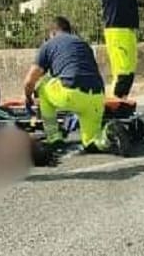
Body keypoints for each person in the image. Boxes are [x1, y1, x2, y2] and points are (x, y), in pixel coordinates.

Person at [22, 16, 129, 155]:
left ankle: (54, 138)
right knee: (91, 142)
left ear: (52, 33)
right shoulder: (83, 44)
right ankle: (108, 135)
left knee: (42, 86)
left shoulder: (49, 45)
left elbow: (29, 81)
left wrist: (28, 97)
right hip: (96, 96)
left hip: (71, 92)